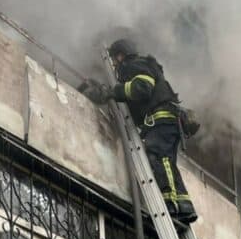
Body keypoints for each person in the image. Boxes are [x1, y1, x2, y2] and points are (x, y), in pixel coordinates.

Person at [81, 38, 197, 223]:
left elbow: (141, 89)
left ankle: (171, 204)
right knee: (167, 162)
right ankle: (184, 206)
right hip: (167, 121)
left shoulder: (133, 65)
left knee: (160, 158)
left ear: (121, 55)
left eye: (115, 59)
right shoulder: (146, 65)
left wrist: (113, 92)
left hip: (161, 120)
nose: (115, 64)